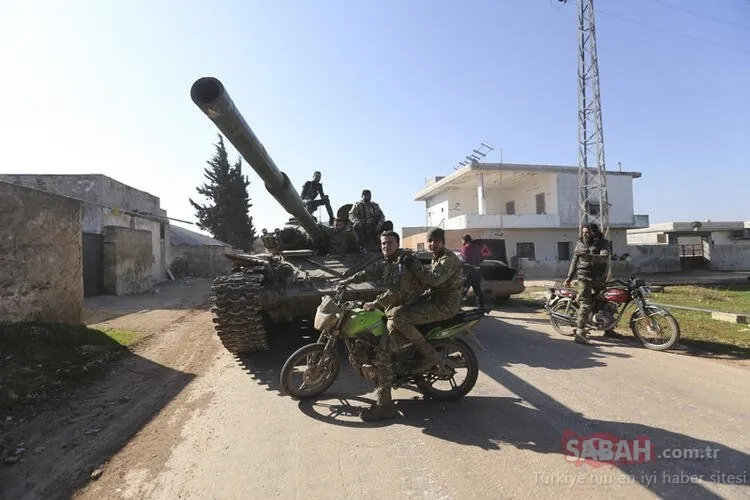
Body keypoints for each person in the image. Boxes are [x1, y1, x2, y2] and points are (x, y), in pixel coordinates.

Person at [339, 230, 427, 422]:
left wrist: (375, 302)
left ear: (397, 243)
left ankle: (385, 406)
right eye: (382, 243)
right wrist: (347, 280)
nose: (385, 246)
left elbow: (398, 291)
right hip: (395, 307)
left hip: (408, 309)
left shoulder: (403, 263)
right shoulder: (388, 262)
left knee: (382, 352)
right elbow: (369, 272)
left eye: (389, 243)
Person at [395, 227, 463, 371]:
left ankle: (429, 355)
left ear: (443, 242)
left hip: (445, 305)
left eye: (436, 241)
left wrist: (414, 264)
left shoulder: (448, 259)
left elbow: (434, 280)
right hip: (438, 299)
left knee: (400, 317)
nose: (432, 244)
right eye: (430, 241)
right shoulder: (436, 256)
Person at [564, 222, 611, 345]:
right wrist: (569, 277)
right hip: (584, 276)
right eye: (583, 232)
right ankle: (580, 332)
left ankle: (609, 328)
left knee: (605, 301)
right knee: (586, 303)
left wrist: (588, 257)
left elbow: (604, 257)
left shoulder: (603, 242)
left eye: (587, 232)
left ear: (594, 232)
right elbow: (575, 260)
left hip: (599, 276)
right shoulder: (580, 242)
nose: (585, 234)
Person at [460, 234, 485, 311]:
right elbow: (482, 259)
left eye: (462, 240)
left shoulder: (464, 248)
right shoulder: (477, 248)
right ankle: (481, 308)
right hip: (477, 273)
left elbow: (462, 260)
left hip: (468, 274)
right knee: (478, 292)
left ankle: (458, 308)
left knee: (463, 293)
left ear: (464, 240)